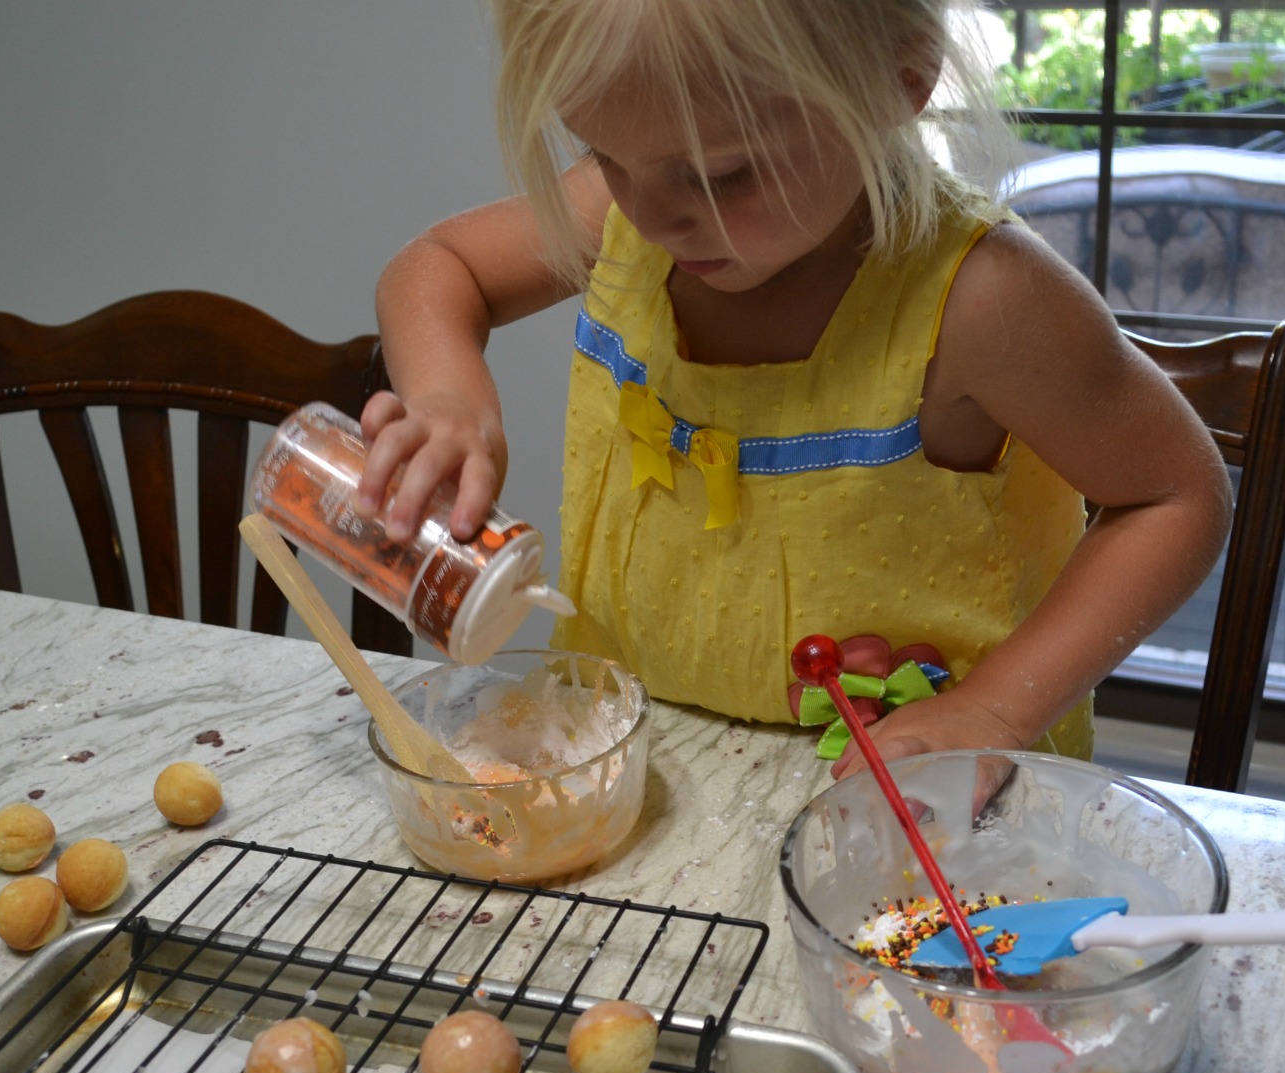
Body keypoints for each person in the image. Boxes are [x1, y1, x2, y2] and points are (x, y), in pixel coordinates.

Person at [359, 0, 1232, 777]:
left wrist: (991, 710)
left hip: (918, 800)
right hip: (628, 756)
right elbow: (435, 268)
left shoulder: (982, 301)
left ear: (899, 80)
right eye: (604, 153)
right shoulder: (626, 207)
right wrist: (450, 400)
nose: (655, 215)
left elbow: (1176, 496)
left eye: (723, 173)